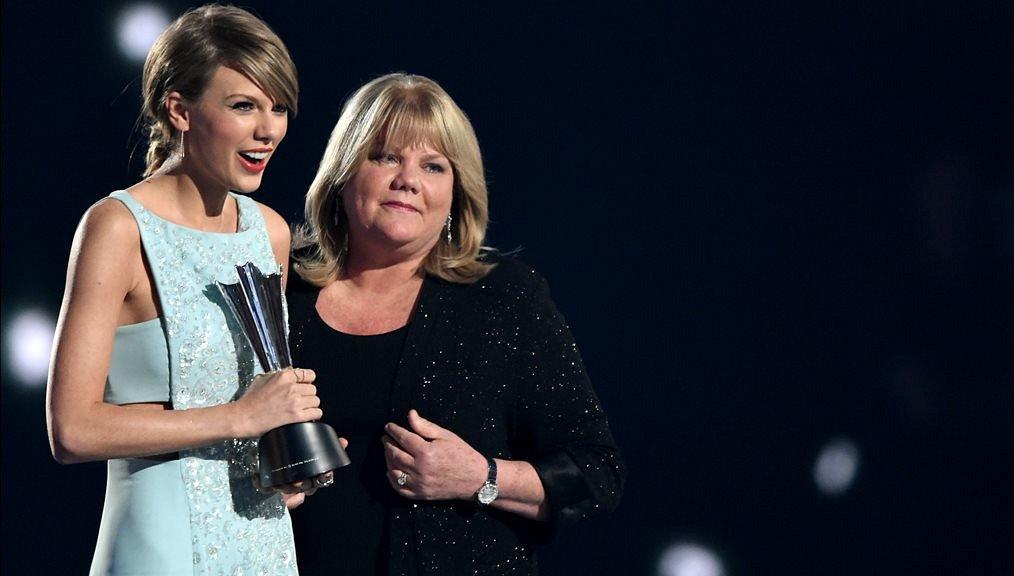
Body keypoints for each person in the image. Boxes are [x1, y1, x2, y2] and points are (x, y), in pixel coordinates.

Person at [287, 73, 625, 575]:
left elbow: (597, 473)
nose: (408, 179)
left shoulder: (505, 298)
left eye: (433, 165)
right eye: (385, 157)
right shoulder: (279, 291)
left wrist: (479, 476)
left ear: (454, 193)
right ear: (342, 172)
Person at [45, 5, 325, 575]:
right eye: (243, 105)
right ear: (180, 109)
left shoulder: (267, 232)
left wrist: (285, 458)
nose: (268, 129)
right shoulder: (118, 226)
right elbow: (71, 429)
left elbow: (260, 403)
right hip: (160, 543)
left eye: (278, 107)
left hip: (263, 541)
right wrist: (240, 418)